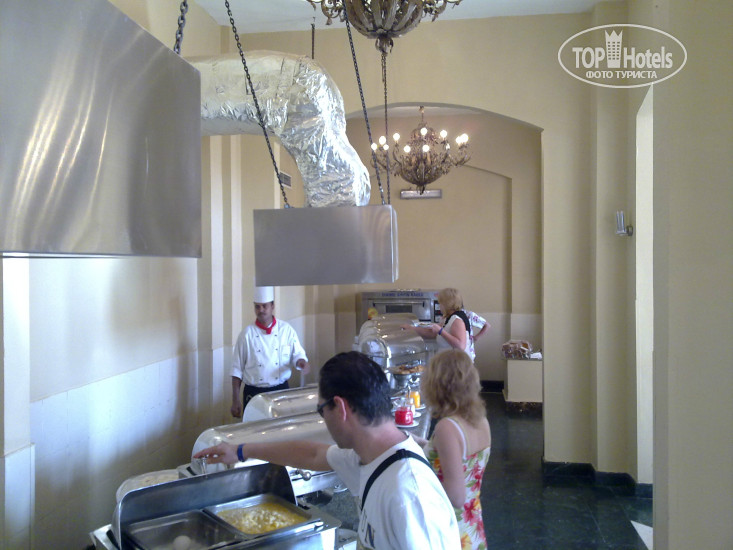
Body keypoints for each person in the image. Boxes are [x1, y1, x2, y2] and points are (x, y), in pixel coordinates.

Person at [195, 351, 461, 550]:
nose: (323, 420)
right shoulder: (368, 459)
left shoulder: (408, 493)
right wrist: (240, 450)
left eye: (322, 411)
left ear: (341, 408)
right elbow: (312, 454)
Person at [417, 349, 492, 550]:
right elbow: (461, 460)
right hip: (472, 524)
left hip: (451, 528)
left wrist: (417, 479)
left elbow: (456, 497)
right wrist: (421, 444)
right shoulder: (481, 421)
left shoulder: (447, 428)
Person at [230, 286, 310, 418]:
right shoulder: (246, 334)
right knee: (255, 428)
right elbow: (236, 370)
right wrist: (235, 399)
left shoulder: (286, 330)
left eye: (264, 306)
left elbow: (298, 354)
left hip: (281, 390)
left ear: (272, 306)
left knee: (281, 428)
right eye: (257, 307)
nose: (261, 310)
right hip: (254, 393)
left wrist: (301, 362)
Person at [403, 287, 473, 360]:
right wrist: (412, 329)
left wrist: (440, 331)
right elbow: (431, 333)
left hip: (457, 363)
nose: (439, 306)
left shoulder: (456, 319)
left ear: (447, 304)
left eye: (440, 303)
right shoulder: (448, 318)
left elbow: (460, 346)